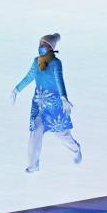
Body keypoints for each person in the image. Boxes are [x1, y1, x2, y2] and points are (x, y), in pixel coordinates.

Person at [11, 33, 81, 172]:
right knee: (35, 131)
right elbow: (29, 77)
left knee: (61, 135)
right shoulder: (36, 61)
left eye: (44, 44)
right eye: (40, 43)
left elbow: (59, 80)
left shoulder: (56, 63)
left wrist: (64, 97)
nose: (41, 46)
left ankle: (75, 149)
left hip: (54, 104)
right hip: (39, 103)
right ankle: (33, 164)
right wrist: (16, 89)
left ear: (51, 47)